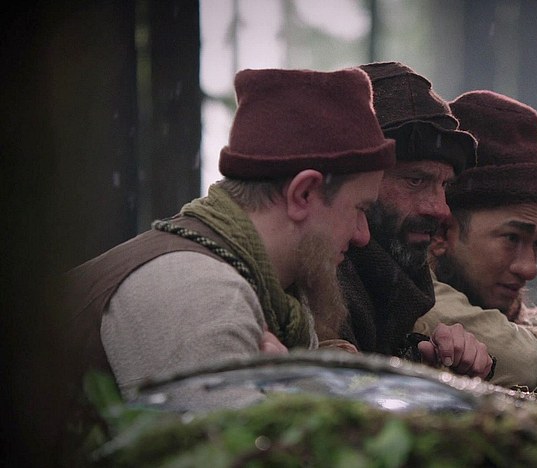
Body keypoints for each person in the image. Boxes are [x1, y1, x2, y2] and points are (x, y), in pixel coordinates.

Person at [65, 67, 396, 404]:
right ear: (303, 194)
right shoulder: (200, 293)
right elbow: (225, 438)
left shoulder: (278, 298)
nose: (363, 235)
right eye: (360, 209)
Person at [414, 90, 537, 396]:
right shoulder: (409, 293)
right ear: (442, 232)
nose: (530, 269)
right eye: (512, 238)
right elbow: (523, 362)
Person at [337, 62, 494, 379]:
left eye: (444, 185)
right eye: (415, 180)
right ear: (354, 181)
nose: (441, 209)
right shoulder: (318, 283)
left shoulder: (394, 283)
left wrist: (431, 366)